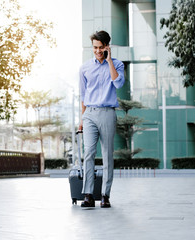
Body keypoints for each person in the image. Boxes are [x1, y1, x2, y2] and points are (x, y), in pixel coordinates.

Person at [78, 30, 125, 208]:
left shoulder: (118, 65)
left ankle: (105, 195)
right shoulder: (84, 68)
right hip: (89, 113)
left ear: (107, 47)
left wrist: (109, 60)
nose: (97, 50)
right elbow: (83, 95)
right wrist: (82, 118)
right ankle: (88, 194)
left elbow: (118, 83)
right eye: (95, 47)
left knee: (107, 155)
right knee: (89, 153)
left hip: (107, 113)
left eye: (101, 47)